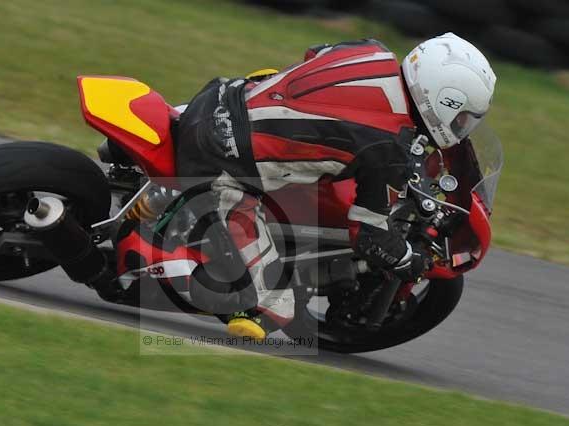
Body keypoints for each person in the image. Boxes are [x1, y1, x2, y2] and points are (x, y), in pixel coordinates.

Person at [175, 32, 497, 340]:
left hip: (226, 94)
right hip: (219, 161)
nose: (463, 128)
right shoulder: (389, 147)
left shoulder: (375, 51)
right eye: (463, 118)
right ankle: (196, 272)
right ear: (442, 100)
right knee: (278, 308)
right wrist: (409, 260)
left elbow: (315, 55)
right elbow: (370, 237)